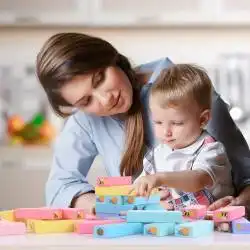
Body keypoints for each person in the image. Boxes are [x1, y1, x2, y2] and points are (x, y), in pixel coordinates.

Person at [36, 32, 250, 216]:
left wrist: (238, 205)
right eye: (86, 101)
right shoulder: (86, 120)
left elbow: (246, 177)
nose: (104, 99)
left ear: (110, 57)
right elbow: (60, 186)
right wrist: (107, 205)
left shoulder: (186, 94)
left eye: (100, 78)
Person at [132, 64, 234, 210]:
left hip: (214, 220)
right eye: (158, 122)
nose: (166, 131)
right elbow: (144, 188)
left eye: (177, 123)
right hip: (181, 222)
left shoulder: (211, 150)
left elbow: (197, 180)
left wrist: (159, 178)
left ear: (203, 119)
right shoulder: (158, 153)